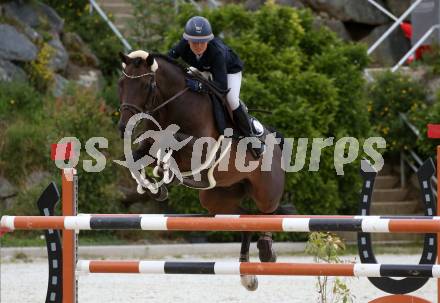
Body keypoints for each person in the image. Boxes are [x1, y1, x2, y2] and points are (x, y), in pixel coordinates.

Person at [168, 16, 265, 158]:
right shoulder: (182, 45)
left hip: (229, 71)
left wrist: (200, 85)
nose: (199, 46)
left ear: (208, 40)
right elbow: (168, 60)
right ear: (187, 40)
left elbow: (221, 86)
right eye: (194, 42)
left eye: (203, 42)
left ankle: (251, 137)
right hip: (204, 69)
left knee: (231, 99)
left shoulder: (216, 52)